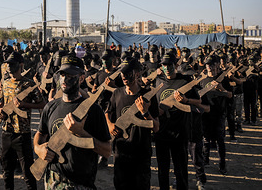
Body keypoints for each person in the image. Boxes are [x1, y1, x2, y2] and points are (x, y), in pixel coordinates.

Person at [34, 55, 111, 189]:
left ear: (81, 78)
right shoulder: (51, 107)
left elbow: (106, 151)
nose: (64, 79)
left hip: (81, 182)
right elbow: (40, 134)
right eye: (62, 74)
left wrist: (80, 133)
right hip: (53, 181)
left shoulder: (93, 110)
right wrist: (38, 148)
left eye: (70, 75)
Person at [106, 57, 159, 190]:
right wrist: (110, 125)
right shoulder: (117, 93)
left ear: (137, 73)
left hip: (141, 155)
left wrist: (145, 112)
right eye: (122, 73)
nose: (124, 76)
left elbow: (157, 127)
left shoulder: (148, 95)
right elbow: (107, 113)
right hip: (121, 153)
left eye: (127, 72)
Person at [0, 52, 45, 190]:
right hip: (6, 132)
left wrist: (25, 105)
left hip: (22, 133)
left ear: (21, 65)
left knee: (28, 173)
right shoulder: (5, 83)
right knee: (7, 171)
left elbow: (42, 104)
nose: (9, 67)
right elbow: (0, 104)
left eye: (12, 64)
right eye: (8, 64)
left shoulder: (29, 85)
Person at [154, 53, 198, 190]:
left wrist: (186, 101)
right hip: (162, 133)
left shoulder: (185, 81)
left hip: (180, 133)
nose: (167, 68)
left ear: (176, 65)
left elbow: (199, 101)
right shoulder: (157, 81)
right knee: (162, 170)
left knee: (181, 170)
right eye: (164, 65)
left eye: (169, 65)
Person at [199, 55, 233, 176]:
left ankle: (222, 164)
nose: (209, 67)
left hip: (219, 113)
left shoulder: (222, 79)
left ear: (216, 65)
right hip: (206, 114)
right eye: (207, 65)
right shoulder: (202, 79)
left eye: (211, 64)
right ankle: (205, 160)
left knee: (220, 140)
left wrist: (222, 89)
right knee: (206, 139)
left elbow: (230, 95)